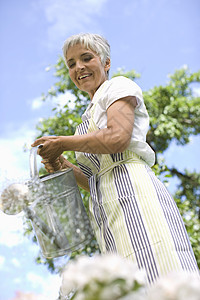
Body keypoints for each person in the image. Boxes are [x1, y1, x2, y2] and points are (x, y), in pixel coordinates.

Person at [31, 33, 199, 284]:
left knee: (159, 276)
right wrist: (59, 162)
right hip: (107, 211)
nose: (79, 67)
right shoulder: (86, 118)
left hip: (136, 197)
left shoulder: (118, 86)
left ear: (106, 62)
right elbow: (92, 180)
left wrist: (63, 143)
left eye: (86, 58)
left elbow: (117, 137)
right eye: (72, 63)